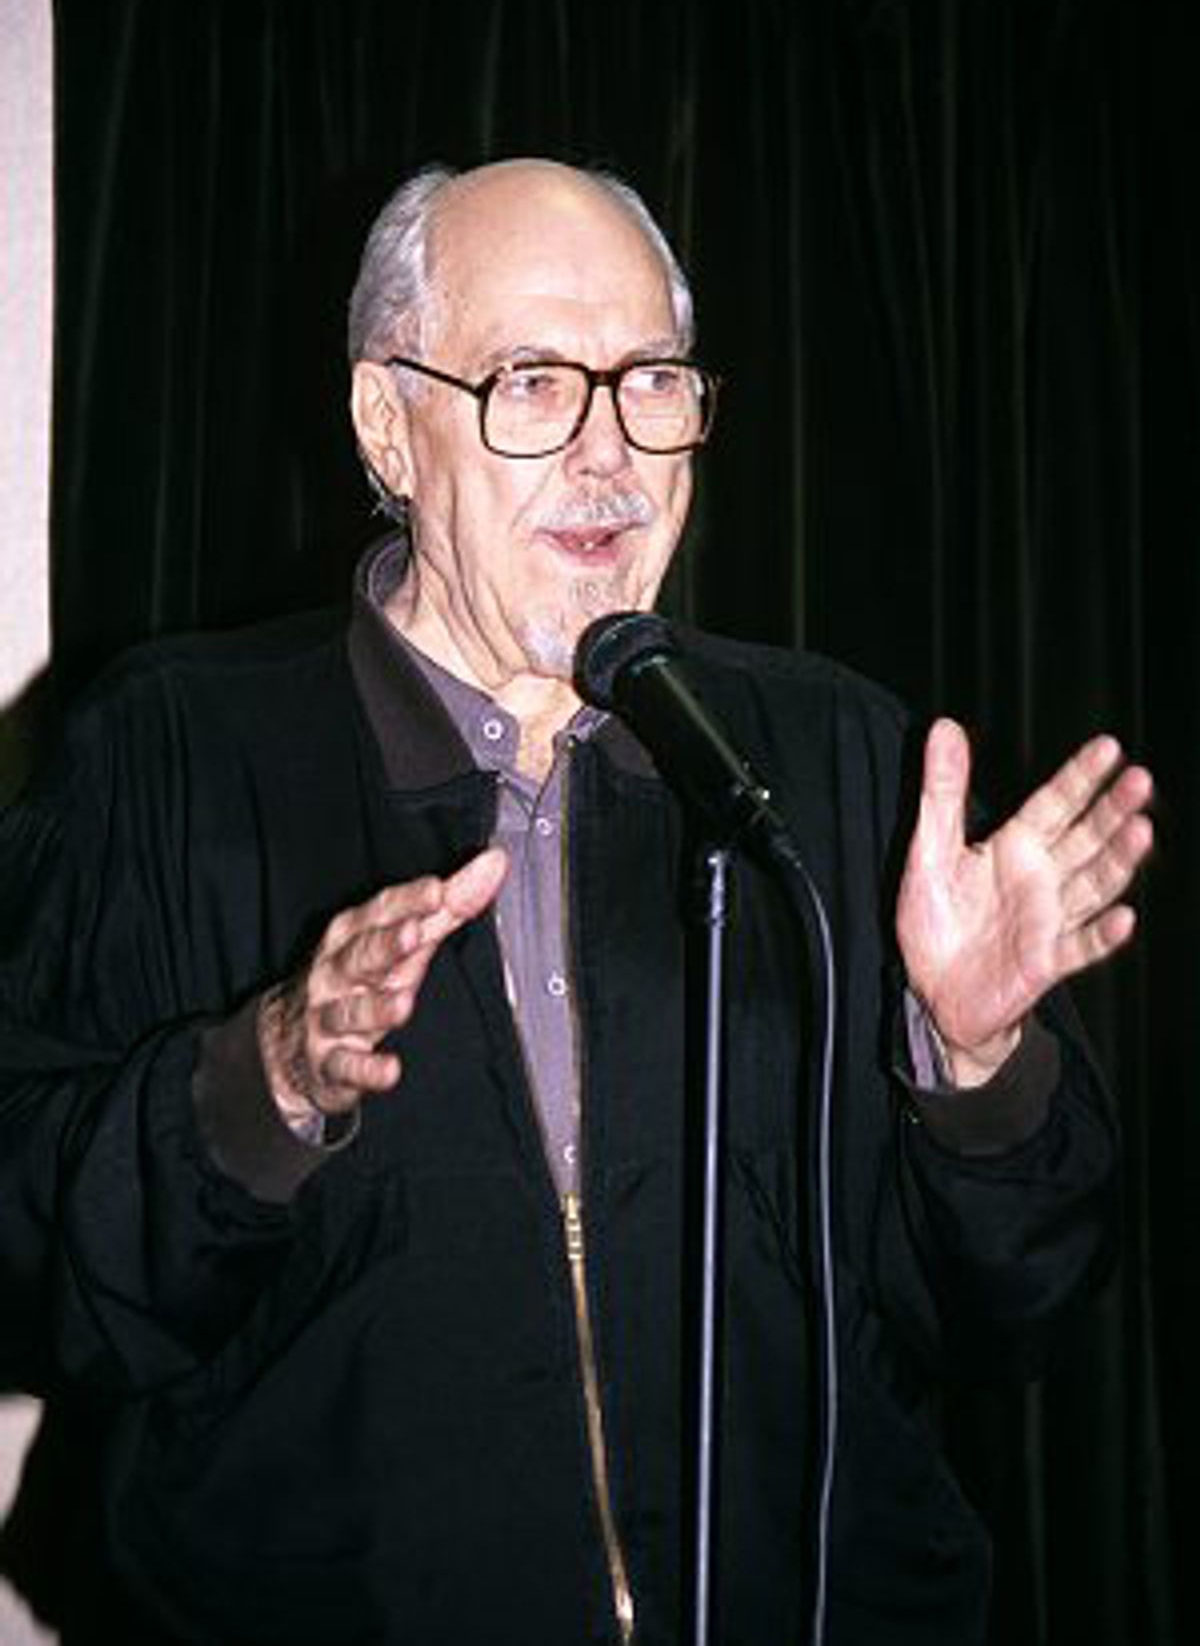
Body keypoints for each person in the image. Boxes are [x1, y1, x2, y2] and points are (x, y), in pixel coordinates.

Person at [0, 158, 1152, 1646]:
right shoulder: (173, 750)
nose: (610, 453)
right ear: (386, 426)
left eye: (652, 382)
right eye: (534, 383)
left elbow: (1020, 1313)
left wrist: (976, 1074)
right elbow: (24, 1256)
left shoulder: (831, 755)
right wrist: (255, 1089)